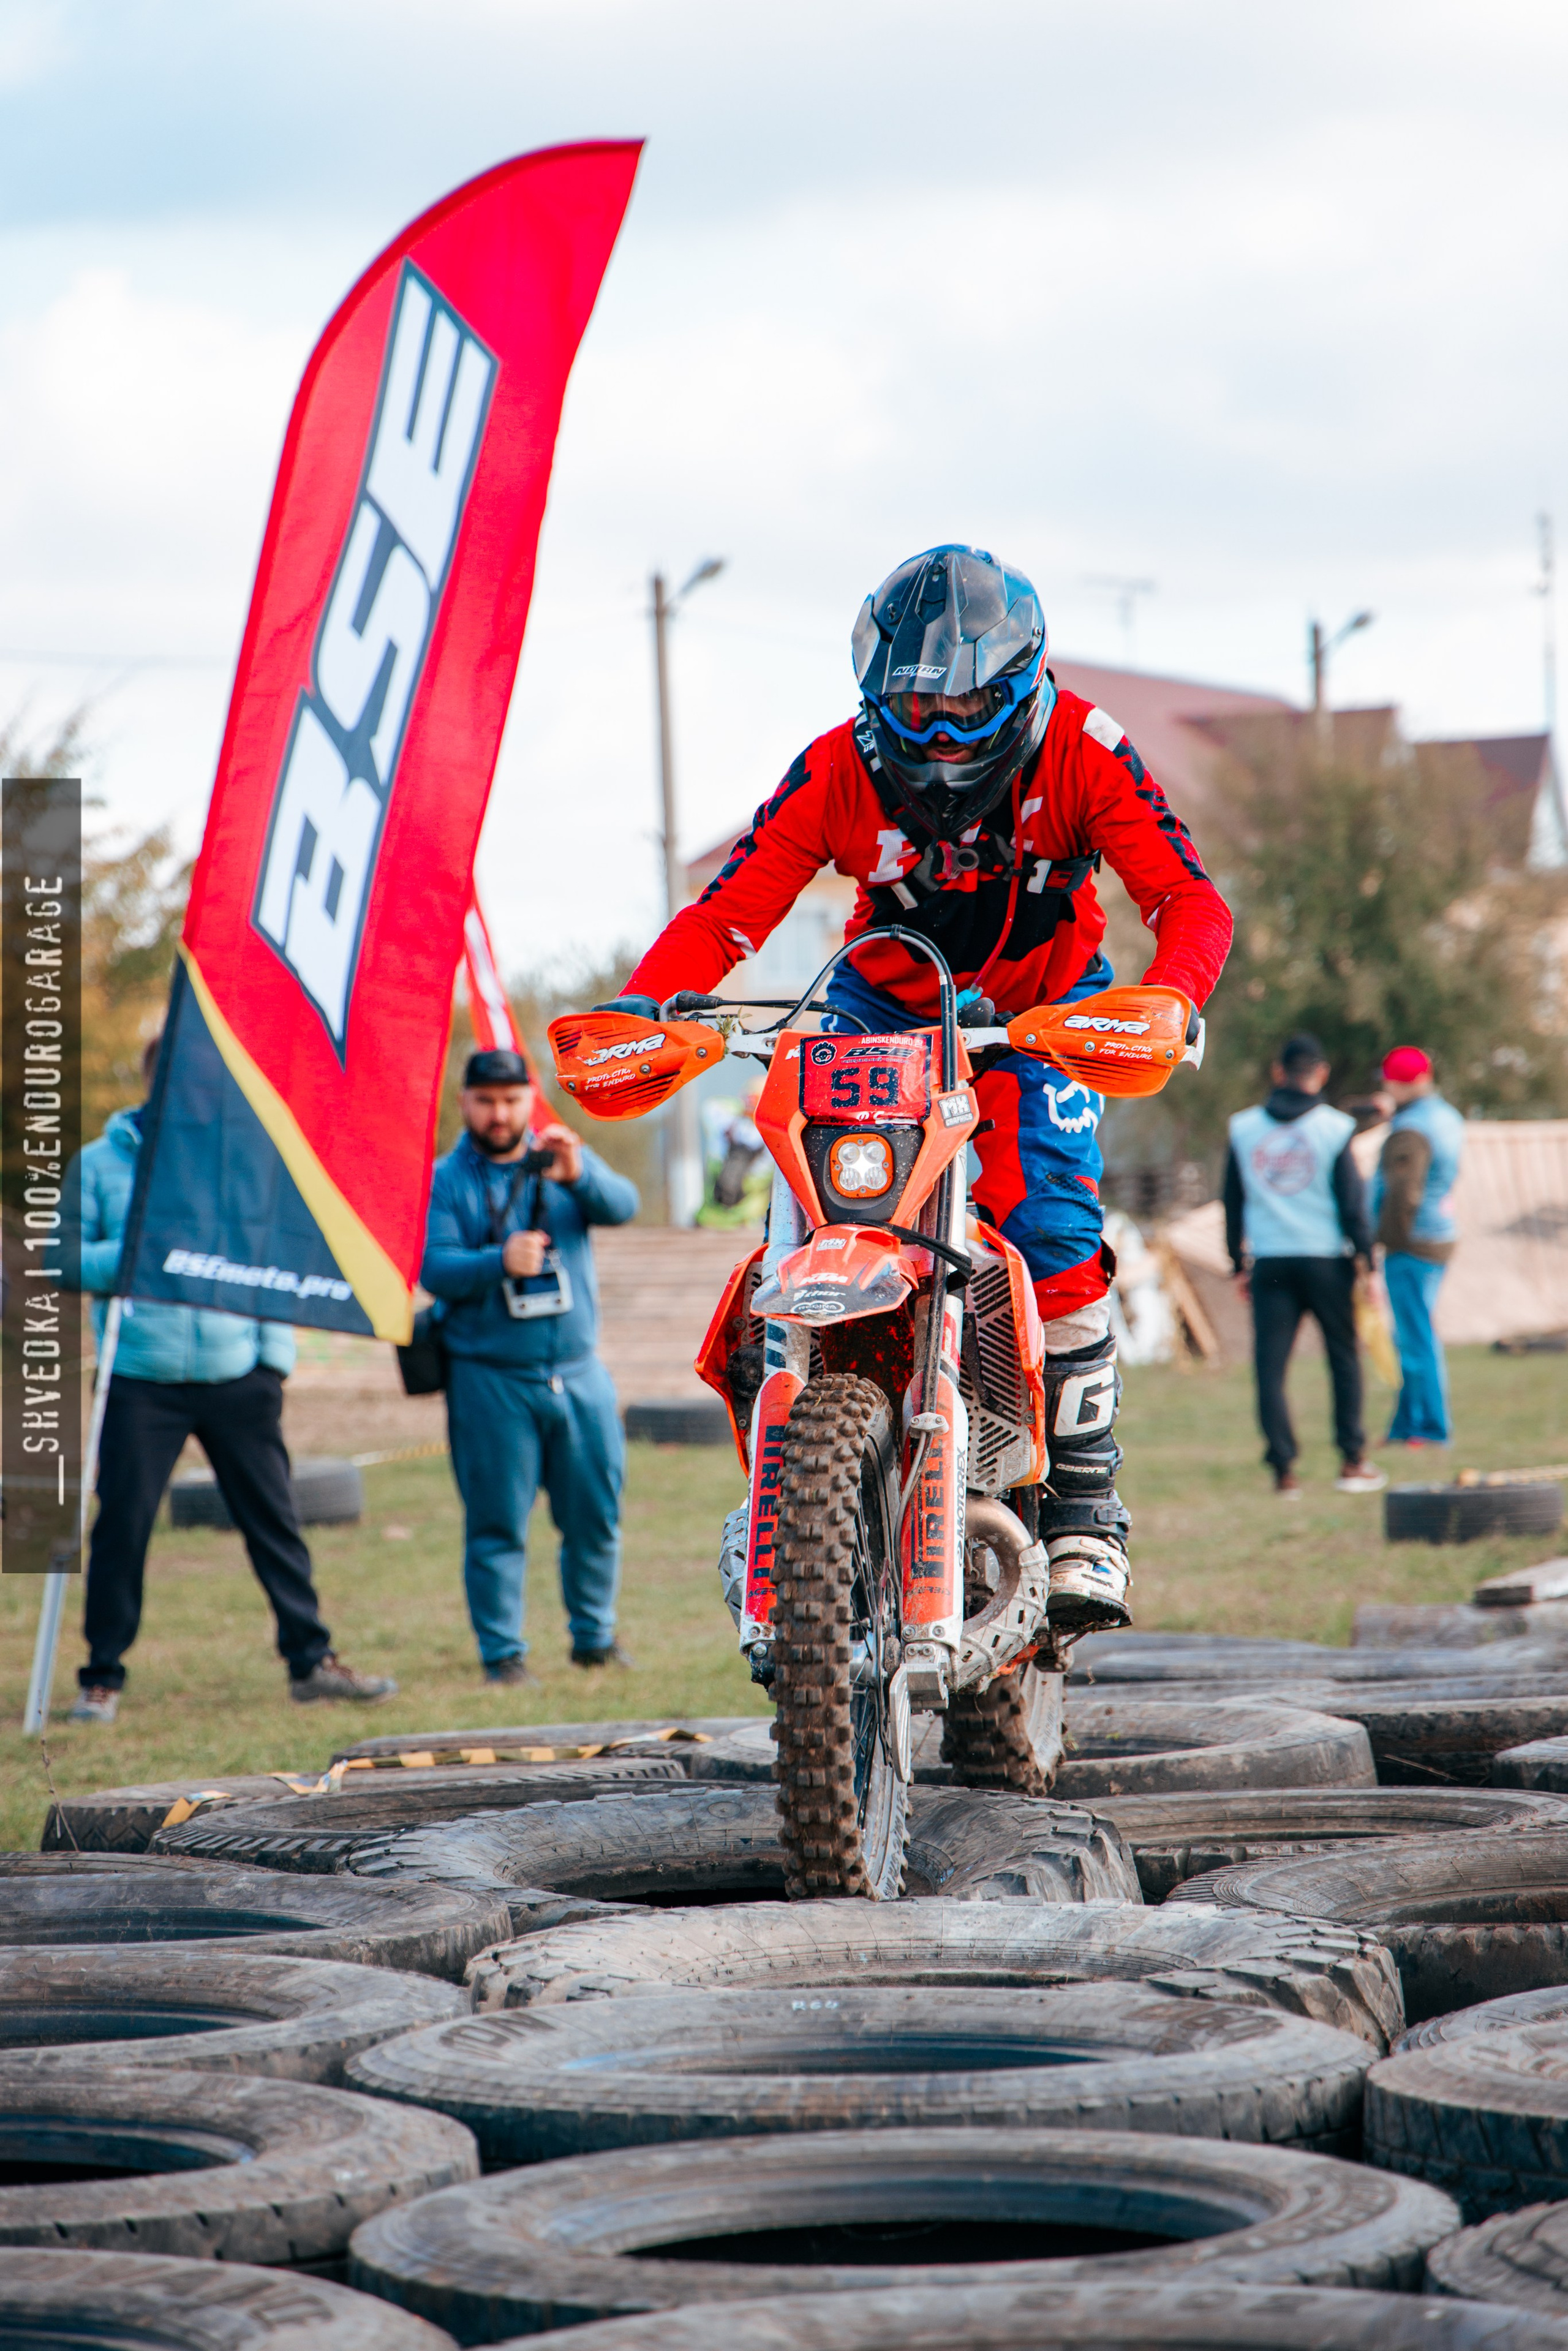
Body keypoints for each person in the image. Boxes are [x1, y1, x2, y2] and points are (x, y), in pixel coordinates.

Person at [597, 543, 1234, 1632]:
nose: (940, 733)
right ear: (873, 696)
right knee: (805, 1191)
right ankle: (791, 1455)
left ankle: (1086, 1503)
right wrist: (648, 1007)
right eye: (915, 704)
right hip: (880, 1005)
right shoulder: (838, 763)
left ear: (1022, 685)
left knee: (1053, 1219)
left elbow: (1188, 898)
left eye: (967, 702)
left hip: (1042, 1009)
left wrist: (1170, 999)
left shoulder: (1086, 746)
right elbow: (726, 915)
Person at [61, 1035, 394, 1723]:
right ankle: (102, 1675)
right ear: (155, 1084)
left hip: (238, 1375)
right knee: (122, 1526)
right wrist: (135, 1253)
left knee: (274, 1520)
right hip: (139, 1380)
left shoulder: (246, 1160)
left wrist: (272, 1364)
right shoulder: (99, 1164)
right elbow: (62, 1259)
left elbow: (272, 1261)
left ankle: (311, 1660)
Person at [421, 1045, 639, 1683]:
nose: (499, 1114)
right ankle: (503, 1656)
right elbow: (433, 1268)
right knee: (496, 1524)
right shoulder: (444, 1179)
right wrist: (497, 1261)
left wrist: (581, 1176)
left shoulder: (560, 1156)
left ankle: (594, 1639)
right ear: (464, 1102)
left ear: (531, 1096)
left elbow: (622, 1206)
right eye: (486, 1101)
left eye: (511, 1100)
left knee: (596, 1515)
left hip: (578, 1371)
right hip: (489, 1378)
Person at [1224, 1032, 1384, 1496]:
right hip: (1326, 1260)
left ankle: (1284, 1471)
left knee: (1271, 1368)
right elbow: (1353, 1206)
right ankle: (1352, 1461)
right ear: (1322, 1073)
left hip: (1271, 1260)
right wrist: (1369, 1266)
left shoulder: (1243, 1128)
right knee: (1343, 1359)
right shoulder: (1335, 1128)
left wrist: (1238, 1262)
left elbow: (1232, 1201)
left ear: (1279, 1072)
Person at [1372, 1044, 1466, 1447]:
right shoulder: (1445, 1116)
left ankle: (1429, 1427)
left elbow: (1403, 1192)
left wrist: (1382, 1238)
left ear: (1396, 1082)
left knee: (1415, 1337)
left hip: (1413, 1239)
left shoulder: (1411, 1129)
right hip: (1440, 1230)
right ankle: (1406, 1424)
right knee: (1414, 1331)